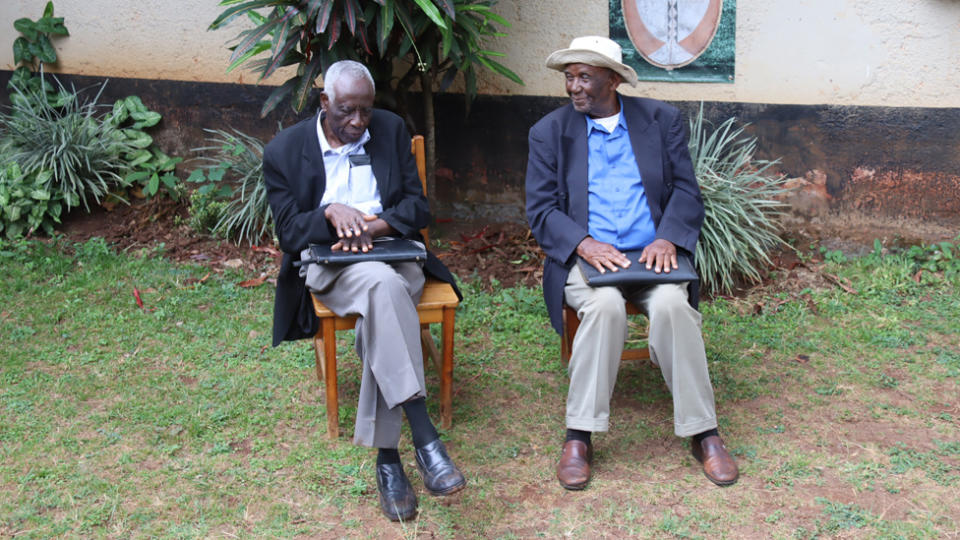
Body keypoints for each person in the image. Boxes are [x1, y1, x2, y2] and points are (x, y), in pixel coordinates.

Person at [525, 36, 739, 489]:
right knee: (603, 309)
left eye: (584, 76)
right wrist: (583, 243)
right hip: (591, 260)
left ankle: (704, 432)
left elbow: (686, 190)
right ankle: (579, 436)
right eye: (569, 77)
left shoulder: (659, 121)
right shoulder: (550, 132)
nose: (573, 87)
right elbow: (541, 210)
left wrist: (667, 238)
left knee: (673, 307)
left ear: (614, 79)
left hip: (651, 255)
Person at [262, 60, 466, 521]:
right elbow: (290, 233)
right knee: (380, 289)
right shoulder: (285, 151)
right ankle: (423, 436)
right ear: (324, 103)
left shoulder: (390, 131)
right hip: (333, 265)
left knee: (383, 291)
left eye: (366, 112)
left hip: (394, 254)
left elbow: (417, 207)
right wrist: (332, 212)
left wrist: (371, 227)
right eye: (347, 112)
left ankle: (390, 461)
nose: (358, 122)